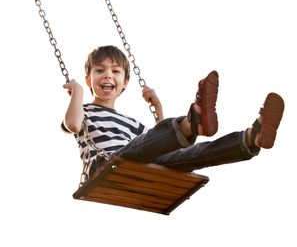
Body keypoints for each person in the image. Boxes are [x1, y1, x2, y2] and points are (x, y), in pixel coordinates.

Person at [62, 45, 285, 177]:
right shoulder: (83, 110)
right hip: (107, 165)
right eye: (99, 70)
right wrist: (78, 93)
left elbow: (155, 142)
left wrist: (158, 107)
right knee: (141, 149)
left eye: (115, 71)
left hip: (136, 161)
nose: (108, 75)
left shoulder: (130, 122)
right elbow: (72, 125)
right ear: (89, 80)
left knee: (190, 155)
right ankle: (192, 123)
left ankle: (250, 138)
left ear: (125, 82)